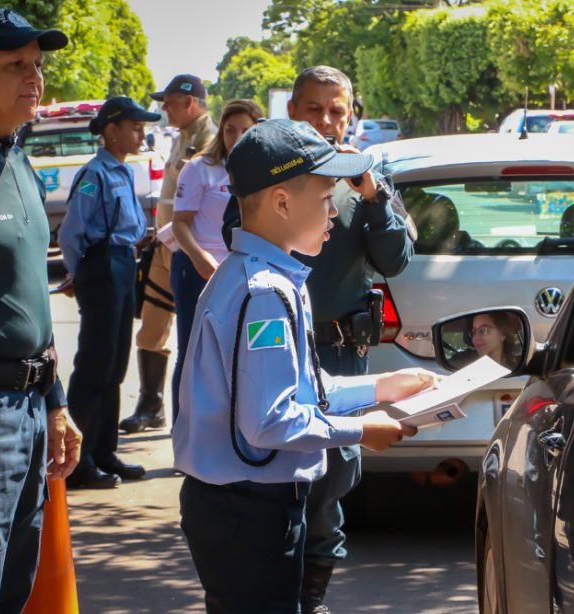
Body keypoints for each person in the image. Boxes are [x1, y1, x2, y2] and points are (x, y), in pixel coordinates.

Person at [174, 118, 434, 613]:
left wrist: (382, 386)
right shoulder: (266, 293)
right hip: (247, 511)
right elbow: (271, 420)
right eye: (324, 196)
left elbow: (303, 390)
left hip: (243, 506)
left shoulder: (263, 276)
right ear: (281, 202)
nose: (335, 210)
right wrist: (361, 431)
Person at [222, 66, 414, 613]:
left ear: (352, 113)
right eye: (314, 109)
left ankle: (311, 601)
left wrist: (371, 194)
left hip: (341, 353)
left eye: (337, 110)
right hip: (280, 345)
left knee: (335, 479)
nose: (327, 120)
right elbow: (237, 239)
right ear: (293, 111)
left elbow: (395, 260)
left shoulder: (366, 176)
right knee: (283, 470)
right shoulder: (273, 174)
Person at [0, 9, 82, 611]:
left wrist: (55, 403)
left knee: (17, 583)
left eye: (37, 65)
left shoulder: (17, 156)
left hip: (29, 406)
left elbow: (30, 299)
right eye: (15, 66)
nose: (35, 79)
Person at [57, 97, 162, 489]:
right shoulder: (94, 174)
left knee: (115, 366)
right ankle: (78, 462)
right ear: (111, 130)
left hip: (122, 264)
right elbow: (71, 233)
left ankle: (103, 451)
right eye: (134, 126)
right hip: (102, 267)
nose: (140, 133)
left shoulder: (122, 171)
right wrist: (78, 273)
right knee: (94, 368)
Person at [119, 74, 217, 433]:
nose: (164, 109)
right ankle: (151, 406)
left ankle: (196, 424)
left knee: (198, 341)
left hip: (195, 251)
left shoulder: (212, 141)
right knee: (152, 329)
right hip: (166, 246)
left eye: (170, 102)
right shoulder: (182, 139)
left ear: (189, 103)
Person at [170, 99, 262, 422]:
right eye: (230, 130)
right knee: (193, 353)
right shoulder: (200, 168)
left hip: (241, 273)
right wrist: (199, 256)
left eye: (246, 131)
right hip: (198, 270)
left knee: (236, 355)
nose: (236, 137)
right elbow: (179, 223)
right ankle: (184, 433)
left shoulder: (263, 170)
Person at [453, 312, 521, 370]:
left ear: (503, 334)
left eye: (483, 330)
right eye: (473, 332)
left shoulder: (518, 367)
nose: (474, 339)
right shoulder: (468, 368)